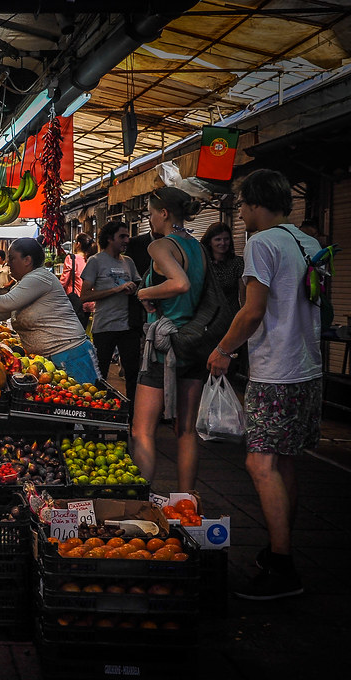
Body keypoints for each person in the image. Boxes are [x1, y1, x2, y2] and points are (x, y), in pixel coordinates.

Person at [207, 169, 322, 600]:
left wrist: (224, 350)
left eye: (242, 207)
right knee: (285, 462)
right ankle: (279, 550)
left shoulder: (262, 242)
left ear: (254, 204)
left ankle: (284, 568)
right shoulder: (306, 241)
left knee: (260, 465)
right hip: (308, 367)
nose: (241, 215)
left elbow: (252, 311)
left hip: (276, 370)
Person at [131, 186, 207, 492]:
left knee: (142, 431)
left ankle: (140, 500)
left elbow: (180, 283)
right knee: (186, 431)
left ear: (164, 213)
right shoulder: (198, 247)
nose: (149, 219)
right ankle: (186, 502)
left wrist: (144, 292)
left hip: (164, 348)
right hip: (194, 344)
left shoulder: (161, 246)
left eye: (150, 213)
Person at [0, 238, 100, 383]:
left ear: (27, 260)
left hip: (71, 354)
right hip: (50, 359)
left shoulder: (39, 277)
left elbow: (7, 302)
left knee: (85, 399)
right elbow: (3, 313)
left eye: (12, 258)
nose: (9, 263)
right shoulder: (24, 282)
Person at [80, 220, 142, 407]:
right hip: (104, 327)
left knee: (132, 374)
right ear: (109, 238)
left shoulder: (129, 262)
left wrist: (135, 290)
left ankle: (131, 419)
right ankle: (98, 415)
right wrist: (116, 289)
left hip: (128, 327)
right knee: (101, 375)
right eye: (122, 236)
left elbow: (139, 286)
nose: (127, 240)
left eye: (127, 236)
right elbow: (84, 296)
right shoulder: (95, 261)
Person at [201, 222, 244, 312]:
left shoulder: (237, 262)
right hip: (207, 316)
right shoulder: (202, 262)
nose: (223, 243)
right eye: (218, 239)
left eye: (226, 239)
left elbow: (244, 295)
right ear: (209, 242)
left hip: (231, 315)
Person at [60, 234, 95, 327]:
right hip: (89, 302)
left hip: (75, 301)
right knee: (83, 331)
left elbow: (64, 281)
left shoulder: (71, 258)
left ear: (78, 244)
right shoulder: (92, 260)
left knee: (72, 332)